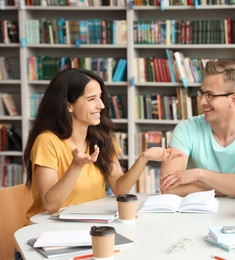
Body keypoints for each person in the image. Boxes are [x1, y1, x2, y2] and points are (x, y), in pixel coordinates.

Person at [23, 68, 182, 224]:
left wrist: (144, 158)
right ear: (69, 106)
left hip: (88, 226)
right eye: (91, 99)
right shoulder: (46, 141)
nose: (101, 105)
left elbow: (119, 189)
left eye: (100, 97)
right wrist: (76, 166)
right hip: (46, 231)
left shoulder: (100, 139)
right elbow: (51, 206)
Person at [160, 60, 235, 197]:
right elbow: (168, 188)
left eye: (210, 95)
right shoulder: (186, 128)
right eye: (202, 93)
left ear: (234, 100)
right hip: (195, 215)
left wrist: (198, 174)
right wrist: (232, 187)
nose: (202, 101)